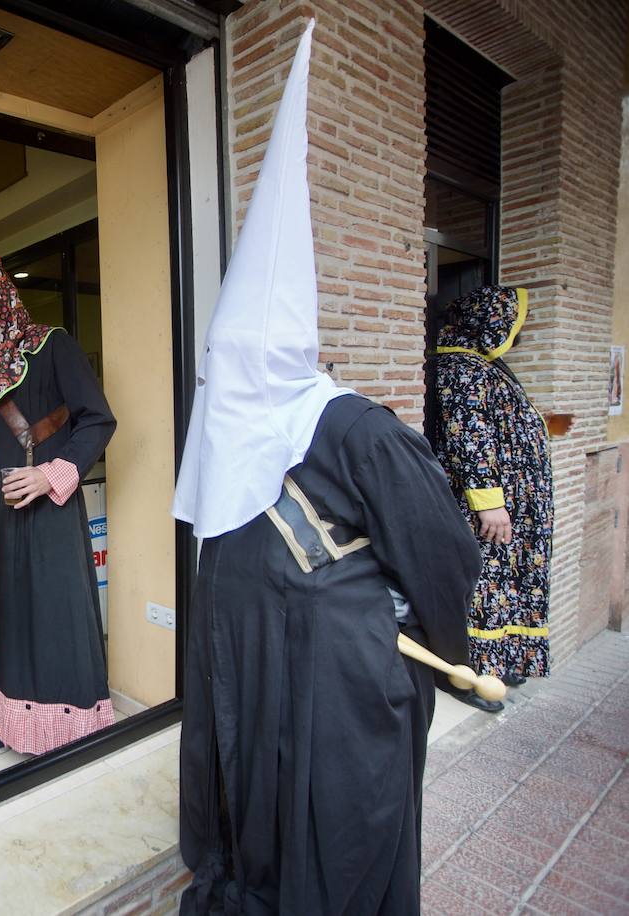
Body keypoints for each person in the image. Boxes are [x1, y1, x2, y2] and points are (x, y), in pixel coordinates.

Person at [172, 23, 480, 913]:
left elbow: (444, 556)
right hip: (259, 697)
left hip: (337, 706)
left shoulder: (357, 432)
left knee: (333, 865)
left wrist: (395, 662)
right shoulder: (232, 435)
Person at [0, 256, 116, 756]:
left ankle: (66, 728)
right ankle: (9, 719)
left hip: (46, 510)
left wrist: (49, 475)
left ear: (9, 293)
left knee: (52, 611)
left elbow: (98, 420)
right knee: (5, 612)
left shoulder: (52, 345)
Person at [430, 285, 554, 709]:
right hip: (487, 508)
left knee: (508, 581)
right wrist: (491, 504)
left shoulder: (484, 365)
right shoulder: (460, 368)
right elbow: (470, 440)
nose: (518, 335)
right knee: (486, 585)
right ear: (492, 320)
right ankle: (470, 674)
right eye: (515, 324)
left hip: (507, 504)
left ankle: (501, 656)